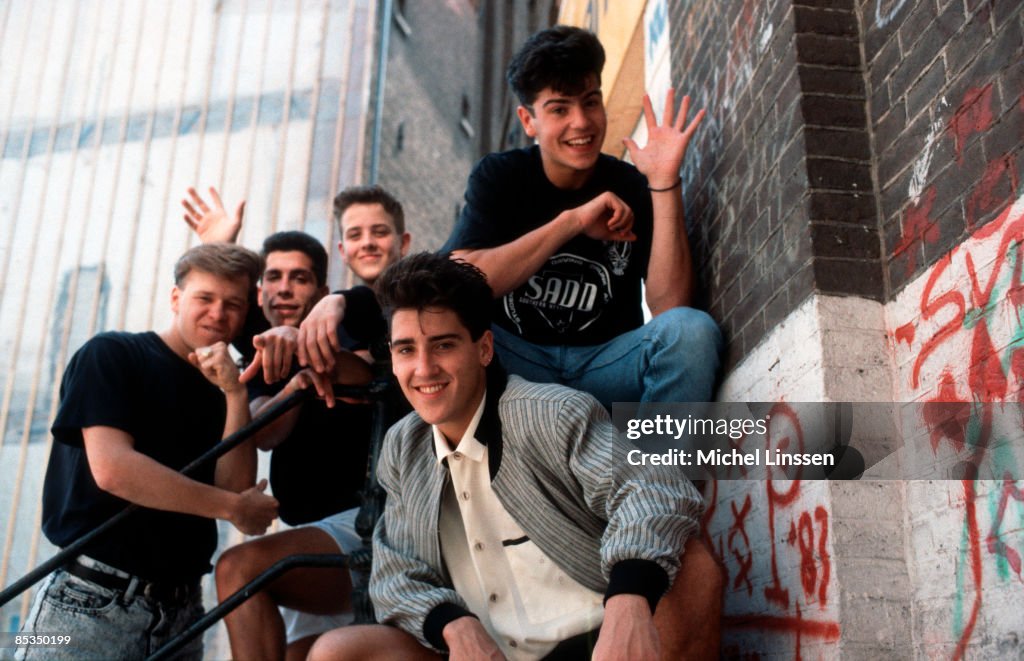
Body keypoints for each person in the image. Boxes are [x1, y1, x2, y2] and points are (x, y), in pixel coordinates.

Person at [308, 252, 723, 661]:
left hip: (597, 642)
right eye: (405, 350)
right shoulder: (403, 448)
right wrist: (455, 625)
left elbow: (653, 489)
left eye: (443, 345)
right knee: (339, 652)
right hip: (489, 652)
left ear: (484, 349)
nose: (424, 368)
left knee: (692, 570)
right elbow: (394, 573)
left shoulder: (550, 412)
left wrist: (628, 602)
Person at [17, 243, 279, 661]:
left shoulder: (224, 388)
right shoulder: (113, 354)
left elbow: (236, 488)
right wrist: (231, 506)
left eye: (233, 304)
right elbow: (114, 470)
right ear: (176, 299)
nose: (218, 313)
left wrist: (234, 392)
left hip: (182, 610)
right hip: (85, 604)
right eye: (204, 298)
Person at [441, 26, 722, 410]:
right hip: (518, 365)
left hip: (605, 365)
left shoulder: (629, 184)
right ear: (528, 120)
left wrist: (663, 183)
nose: (581, 122)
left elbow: (671, 308)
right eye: (560, 109)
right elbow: (462, 280)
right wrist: (572, 222)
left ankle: (655, 470)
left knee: (692, 331)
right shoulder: (501, 176)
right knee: (445, 329)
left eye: (590, 102)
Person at [182, 186, 409, 661]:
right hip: (308, 533)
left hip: (374, 527)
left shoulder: (357, 323)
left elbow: (364, 357)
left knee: (240, 568)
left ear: (323, 292)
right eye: (274, 278)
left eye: (300, 279)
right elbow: (265, 428)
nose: (285, 288)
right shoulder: (261, 350)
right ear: (260, 292)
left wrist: (311, 349)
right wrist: (221, 244)